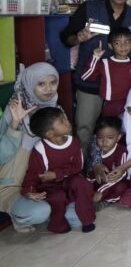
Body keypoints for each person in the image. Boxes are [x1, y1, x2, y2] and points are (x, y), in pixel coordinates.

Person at [60, 0, 131, 155]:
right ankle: (83, 168)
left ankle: (114, 166)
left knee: (120, 131)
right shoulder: (89, 9)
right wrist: (78, 38)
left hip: (123, 89)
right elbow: (66, 38)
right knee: (85, 129)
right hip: (90, 85)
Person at [0, 63, 81, 232]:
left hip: (47, 182)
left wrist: (59, 176)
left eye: (53, 82)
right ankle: (18, 216)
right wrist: (15, 124)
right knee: (40, 212)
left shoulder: (56, 111)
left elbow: (68, 151)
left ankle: (56, 207)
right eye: (41, 84)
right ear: (30, 84)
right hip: (13, 186)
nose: (48, 89)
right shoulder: (14, 111)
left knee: (76, 218)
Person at [21, 107, 96, 233]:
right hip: (50, 187)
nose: (67, 121)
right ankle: (57, 225)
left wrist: (57, 174)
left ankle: (87, 220)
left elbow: (78, 166)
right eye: (62, 121)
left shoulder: (73, 142)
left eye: (65, 118)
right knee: (57, 197)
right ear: (50, 133)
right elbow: (33, 174)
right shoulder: (40, 149)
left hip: (70, 181)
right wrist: (29, 191)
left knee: (82, 184)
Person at [81, 27, 131, 118]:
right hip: (111, 105)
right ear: (110, 46)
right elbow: (86, 77)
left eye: (127, 42)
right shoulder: (105, 63)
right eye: (117, 43)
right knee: (110, 126)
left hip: (130, 103)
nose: (123, 46)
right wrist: (95, 57)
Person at [87, 117, 129, 205]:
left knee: (121, 188)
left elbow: (120, 175)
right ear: (95, 137)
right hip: (100, 183)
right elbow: (90, 175)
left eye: (110, 138)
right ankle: (96, 198)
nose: (104, 142)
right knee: (83, 184)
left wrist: (101, 191)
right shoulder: (96, 151)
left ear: (118, 137)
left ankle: (103, 200)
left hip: (114, 183)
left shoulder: (121, 151)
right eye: (100, 137)